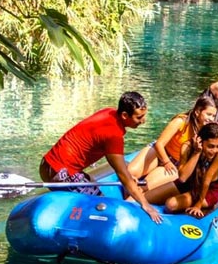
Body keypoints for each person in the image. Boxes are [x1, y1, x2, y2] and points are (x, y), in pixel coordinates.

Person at [39, 91, 162, 223]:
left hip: (46, 165)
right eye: (139, 117)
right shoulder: (113, 135)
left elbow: (113, 160)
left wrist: (127, 174)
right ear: (125, 115)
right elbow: (122, 175)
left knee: (91, 182)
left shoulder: (109, 112)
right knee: (102, 206)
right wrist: (145, 204)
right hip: (61, 175)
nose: (143, 121)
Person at [127, 96, 217, 192]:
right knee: (130, 174)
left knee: (144, 186)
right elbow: (159, 144)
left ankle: (132, 199)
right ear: (198, 111)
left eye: (213, 116)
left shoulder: (206, 132)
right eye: (209, 114)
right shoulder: (181, 122)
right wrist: (166, 162)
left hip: (176, 164)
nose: (211, 119)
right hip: (159, 153)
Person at [145, 123, 218, 218]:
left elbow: (207, 180)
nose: (215, 150)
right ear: (200, 141)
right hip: (188, 183)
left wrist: (198, 205)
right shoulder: (187, 147)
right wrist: (197, 152)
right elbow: (183, 178)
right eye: (210, 146)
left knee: (171, 204)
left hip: (208, 190)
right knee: (144, 198)